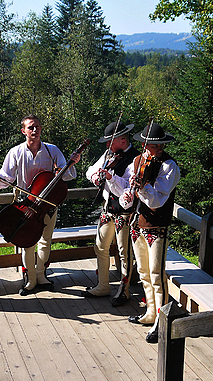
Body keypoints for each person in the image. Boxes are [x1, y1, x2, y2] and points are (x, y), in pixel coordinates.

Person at [0, 114, 81, 295]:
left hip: (48, 204)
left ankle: (41, 275)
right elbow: (7, 177)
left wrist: (70, 165)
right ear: (23, 131)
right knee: (27, 242)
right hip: (26, 204)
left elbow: (68, 175)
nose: (35, 130)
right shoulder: (15, 152)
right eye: (31, 127)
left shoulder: (52, 150)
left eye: (37, 126)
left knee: (45, 241)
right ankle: (29, 279)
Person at [116, 123, 180, 343]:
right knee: (143, 272)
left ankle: (161, 323)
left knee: (156, 273)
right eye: (154, 144)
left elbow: (157, 200)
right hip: (137, 224)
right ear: (144, 144)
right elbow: (129, 194)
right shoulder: (137, 162)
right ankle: (151, 313)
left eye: (160, 144)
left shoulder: (169, 166)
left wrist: (142, 187)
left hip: (157, 226)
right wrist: (128, 196)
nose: (159, 147)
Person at [82, 120, 139, 306]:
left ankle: (124, 290)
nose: (107, 145)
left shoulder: (135, 159)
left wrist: (110, 177)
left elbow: (126, 188)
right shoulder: (109, 154)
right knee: (100, 246)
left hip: (125, 212)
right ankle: (103, 285)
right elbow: (90, 171)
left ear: (122, 140)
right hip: (108, 208)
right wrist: (96, 176)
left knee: (125, 253)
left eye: (111, 141)